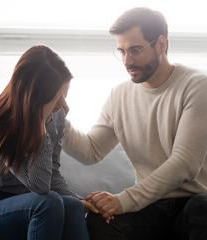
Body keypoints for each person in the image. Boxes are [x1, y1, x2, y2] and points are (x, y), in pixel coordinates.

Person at [62, 7, 207, 240]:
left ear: (161, 43)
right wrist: (57, 116)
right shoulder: (119, 95)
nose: (127, 60)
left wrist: (123, 200)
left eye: (136, 50)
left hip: (193, 203)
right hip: (150, 207)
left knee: (203, 209)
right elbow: (91, 151)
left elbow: (185, 163)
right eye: (122, 51)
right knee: (100, 222)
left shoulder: (197, 86)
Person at [0, 45, 92, 240]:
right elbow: (40, 186)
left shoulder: (56, 116)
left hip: (24, 202)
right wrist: (40, 127)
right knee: (47, 202)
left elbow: (52, 174)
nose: (63, 105)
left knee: (73, 206)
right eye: (57, 96)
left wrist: (80, 200)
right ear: (35, 96)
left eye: (65, 94)